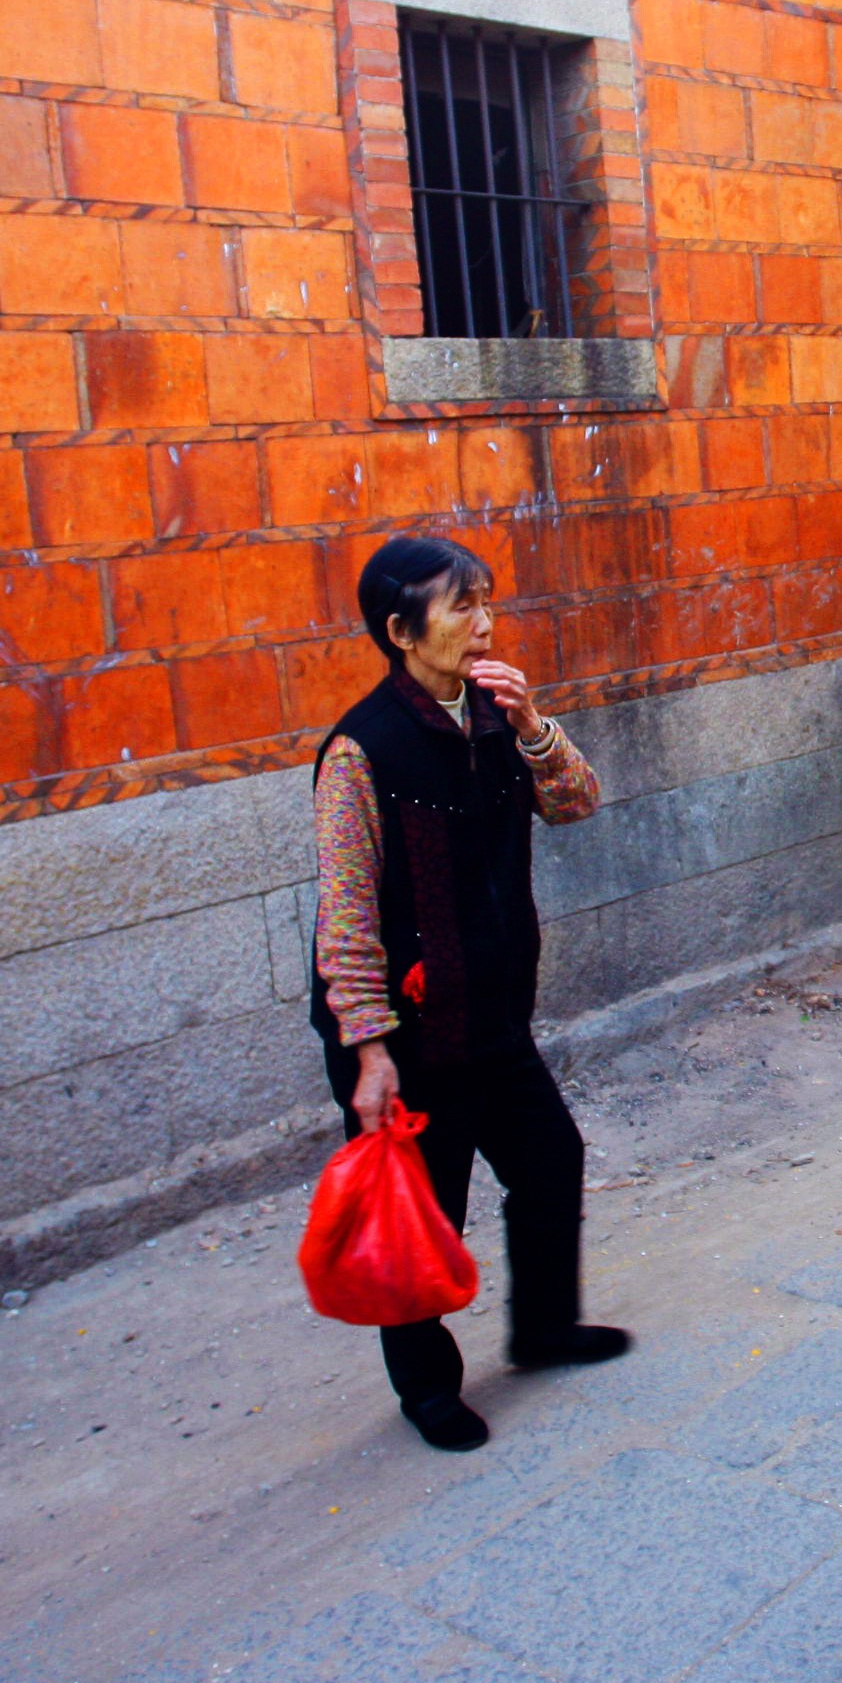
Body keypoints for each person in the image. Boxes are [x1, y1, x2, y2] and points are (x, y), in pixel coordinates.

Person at [311, 534, 628, 1451]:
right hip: (406, 1040)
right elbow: (345, 914)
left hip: (492, 1012)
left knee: (549, 1161)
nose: (484, 623)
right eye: (461, 607)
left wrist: (535, 728)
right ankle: (426, 1389)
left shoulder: (495, 716)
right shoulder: (359, 753)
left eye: (487, 601)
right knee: (423, 1215)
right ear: (402, 630)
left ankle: (544, 1328)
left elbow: (577, 803)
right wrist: (368, 1052)